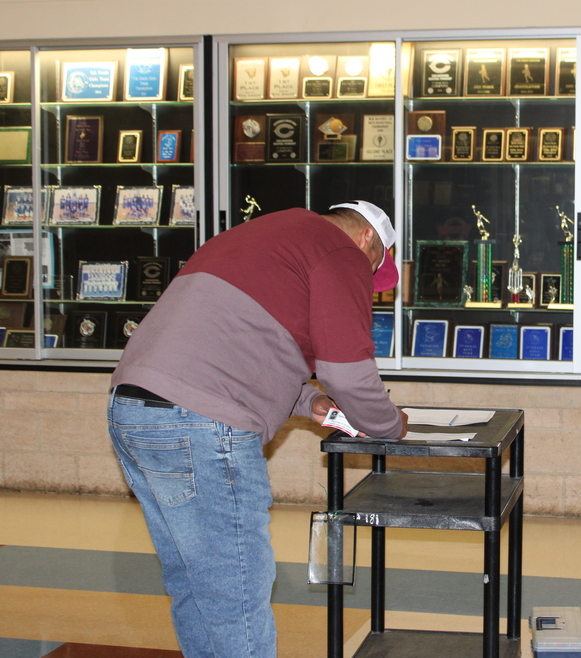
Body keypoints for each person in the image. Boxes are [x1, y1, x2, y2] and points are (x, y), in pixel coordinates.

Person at [107, 200, 408, 658]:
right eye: (373, 270)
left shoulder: (264, 234)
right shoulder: (341, 250)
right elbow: (347, 370)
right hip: (200, 422)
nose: (367, 281)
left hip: (133, 409)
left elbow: (239, 343)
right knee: (236, 590)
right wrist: (390, 424)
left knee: (194, 581)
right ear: (367, 238)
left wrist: (309, 401)